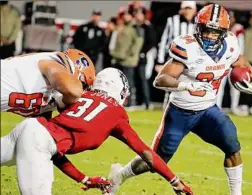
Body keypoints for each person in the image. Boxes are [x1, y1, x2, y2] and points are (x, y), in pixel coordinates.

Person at [106, 4, 252, 195]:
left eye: (215, 31)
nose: (210, 36)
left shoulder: (230, 44)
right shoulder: (188, 46)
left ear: (223, 32)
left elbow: (241, 62)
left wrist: (249, 78)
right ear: (198, 27)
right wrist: (185, 85)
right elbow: (160, 79)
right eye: (206, 30)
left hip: (208, 110)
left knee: (232, 144)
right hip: (179, 113)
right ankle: (118, 176)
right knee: (155, 161)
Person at [0, 68, 193, 195]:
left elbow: (53, 149)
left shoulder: (81, 96)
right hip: (38, 141)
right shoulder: (117, 113)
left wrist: (84, 178)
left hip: (30, 129)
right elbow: (147, 154)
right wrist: (174, 180)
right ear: (120, 90)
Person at [0, 49, 95, 117]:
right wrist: (62, 102)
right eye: (83, 85)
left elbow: (39, 126)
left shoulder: (51, 93)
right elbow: (73, 91)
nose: (84, 90)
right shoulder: (55, 62)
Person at [156, 1, 197, 110]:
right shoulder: (172, 21)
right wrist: (160, 61)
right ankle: (167, 112)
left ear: (194, 10)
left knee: (189, 88)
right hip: (174, 60)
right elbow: (164, 41)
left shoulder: (198, 23)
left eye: (190, 8)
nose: (188, 11)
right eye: (186, 8)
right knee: (171, 87)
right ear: (182, 9)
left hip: (192, 62)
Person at [110, 8, 144, 107]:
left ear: (131, 16)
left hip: (128, 60)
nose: (125, 16)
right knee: (118, 82)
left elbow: (138, 43)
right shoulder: (121, 27)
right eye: (124, 15)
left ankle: (129, 102)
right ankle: (119, 101)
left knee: (128, 82)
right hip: (118, 58)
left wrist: (128, 55)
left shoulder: (136, 28)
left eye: (128, 14)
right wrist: (114, 53)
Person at [216, 10, 245, 116]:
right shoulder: (219, 28)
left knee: (236, 84)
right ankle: (217, 106)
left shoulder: (238, 29)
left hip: (234, 60)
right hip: (222, 60)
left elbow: (241, 45)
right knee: (219, 84)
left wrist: (239, 60)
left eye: (230, 18)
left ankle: (234, 106)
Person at [133, 7, 156, 109]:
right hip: (135, 57)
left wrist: (142, 52)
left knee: (143, 79)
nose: (137, 16)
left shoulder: (147, 27)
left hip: (144, 56)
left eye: (138, 13)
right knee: (136, 79)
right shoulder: (135, 26)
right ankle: (139, 101)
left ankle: (147, 102)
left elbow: (151, 42)